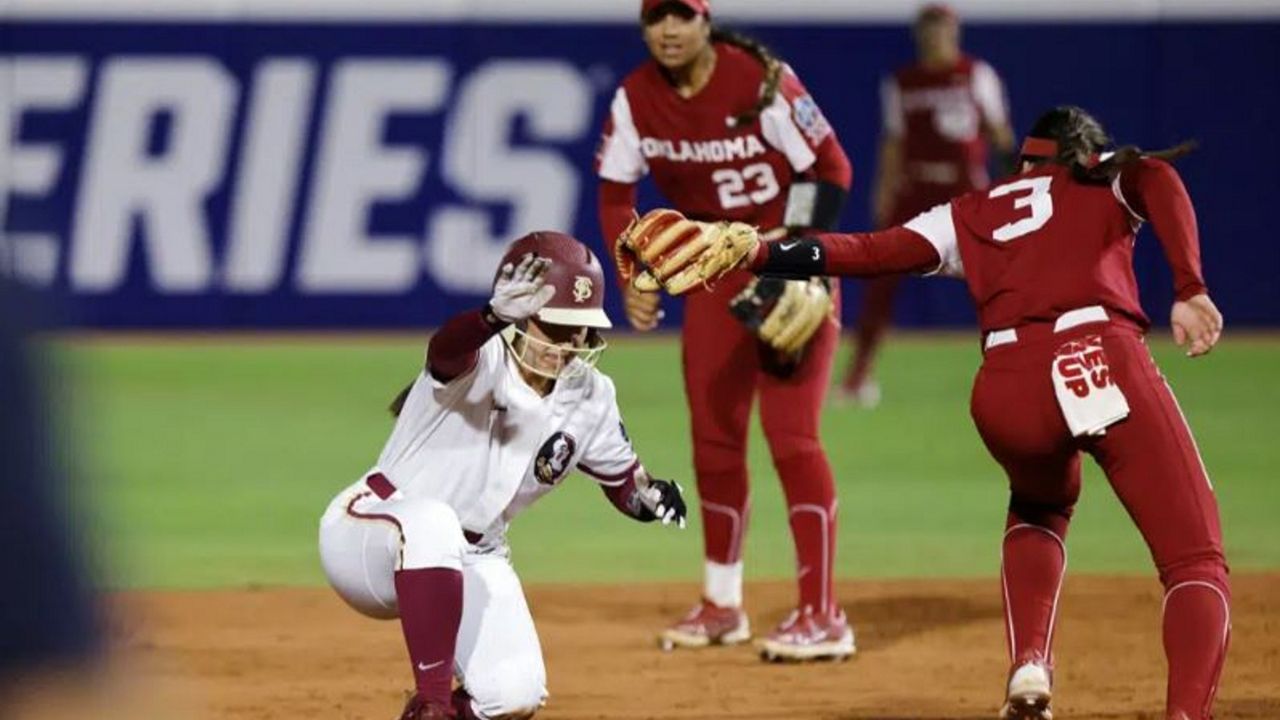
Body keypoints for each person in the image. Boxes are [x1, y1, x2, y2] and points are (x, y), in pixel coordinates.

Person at [666, 105, 1226, 719]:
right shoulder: (1100, 174)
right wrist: (1189, 286)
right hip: (1098, 355)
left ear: (1023, 162)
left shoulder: (970, 211)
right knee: (1194, 560)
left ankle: (1029, 664)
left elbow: (868, 250)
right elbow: (1158, 178)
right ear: (1084, 153)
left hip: (1007, 386)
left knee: (1040, 507)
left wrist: (762, 254)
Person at [317, 232, 688, 720]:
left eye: (580, 330)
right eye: (556, 327)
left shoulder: (591, 395)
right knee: (434, 523)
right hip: (372, 535)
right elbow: (446, 350)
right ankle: (432, 701)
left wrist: (652, 497)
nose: (569, 345)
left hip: (475, 554)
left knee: (514, 693)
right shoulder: (482, 358)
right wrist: (489, 318)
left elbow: (625, 485)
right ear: (522, 316)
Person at [595, 0, 855, 660]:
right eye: (657, 18)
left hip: (787, 266)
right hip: (712, 278)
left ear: (706, 20)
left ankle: (823, 613)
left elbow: (832, 169)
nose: (670, 30)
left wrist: (797, 253)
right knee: (713, 442)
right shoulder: (635, 98)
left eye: (682, 15)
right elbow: (615, 196)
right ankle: (721, 603)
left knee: (792, 437)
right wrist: (635, 271)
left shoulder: (762, 81)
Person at [840, 2, 1015, 407]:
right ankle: (857, 377)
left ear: (954, 31)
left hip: (964, 191)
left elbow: (999, 132)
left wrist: (1012, 184)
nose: (934, 35)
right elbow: (893, 141)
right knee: (880, 280)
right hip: (916, 187)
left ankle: (1021, 368)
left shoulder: (975, 74)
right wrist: (883, 194)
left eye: (941, 27)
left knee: (997, 282)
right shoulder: (903, 81)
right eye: (928, 28)